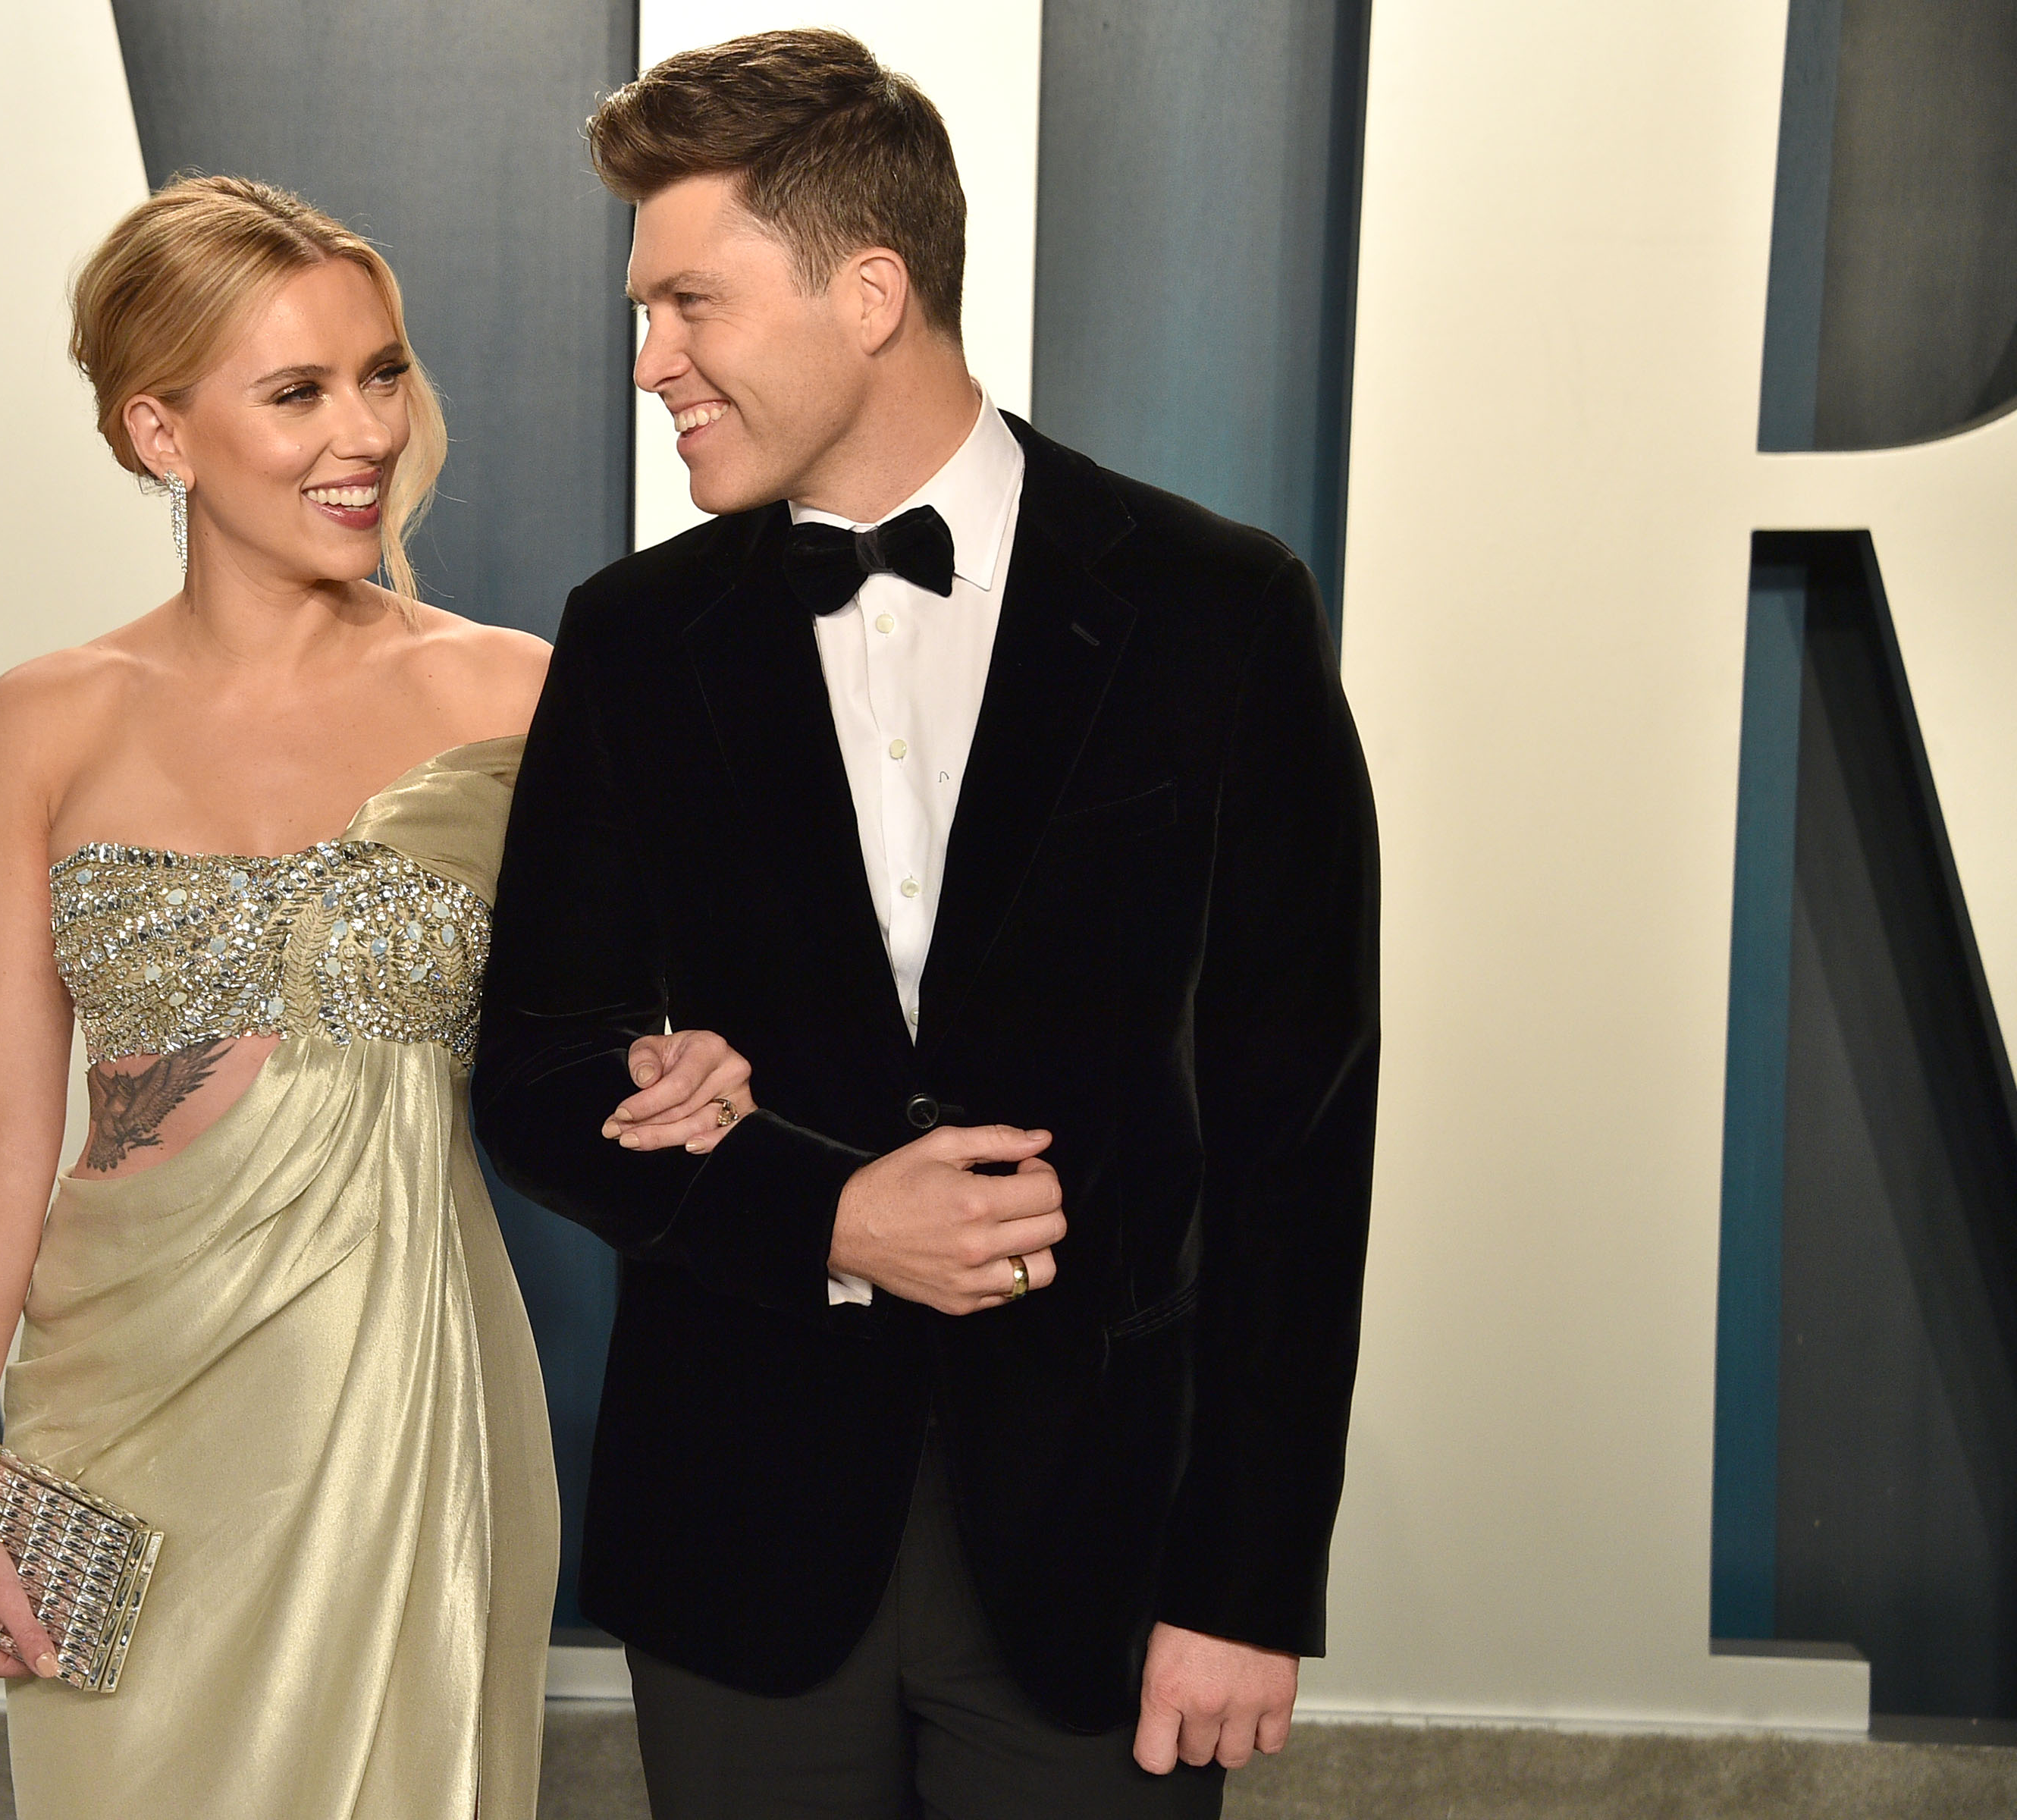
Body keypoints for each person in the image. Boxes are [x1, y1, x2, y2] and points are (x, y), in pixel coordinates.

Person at [473, 30, 1379, 1820]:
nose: (650, 360)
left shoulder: (1219, 609)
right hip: (738, 1549)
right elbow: (531, 1069)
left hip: (1105, 1564)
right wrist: (820, 1212)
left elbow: (1300, 1134)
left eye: (688, 304)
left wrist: (1246, 1584)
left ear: (871, 289)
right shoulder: (633, 638)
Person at [0, 174, 557, 1820]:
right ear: (159, 432)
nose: (366, 433)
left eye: (383, 372)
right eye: (299, 391)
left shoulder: (518, 694)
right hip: (113, 1412)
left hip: (406, 1399)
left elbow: (651, 1026)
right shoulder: (46, 718)